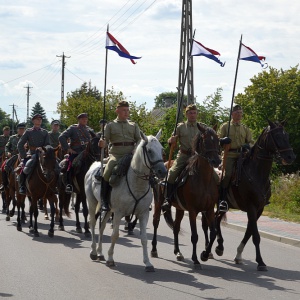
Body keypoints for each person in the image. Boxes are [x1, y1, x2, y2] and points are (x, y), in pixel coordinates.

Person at [98, 100, 141, 211]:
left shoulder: (133, 125)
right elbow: (105, 140)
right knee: (107, 172)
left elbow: (139, 140)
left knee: (146, 171)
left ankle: (144, 199)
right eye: (123, 110)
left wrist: (135, 149)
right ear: (117, 111)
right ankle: (104, 200)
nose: (126, 113)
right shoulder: (110, 125)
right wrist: (102, 143)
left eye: (127, 110)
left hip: (131, 155)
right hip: (116, 155)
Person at [161, 104, 201, 212]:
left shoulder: (202, 127)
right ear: (186, 114)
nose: (192, 115)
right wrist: (171, 140)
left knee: (215, 176)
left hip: (197, 156)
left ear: (197, 114)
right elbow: (171, 140)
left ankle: (216, 199)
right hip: (184, 155)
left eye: (194, 113)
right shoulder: (180, 127)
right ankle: (168, 199)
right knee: (171, 174)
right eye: (190, 113)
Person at [218, 104, 253, 212]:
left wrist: (248, 146)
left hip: (242, 155)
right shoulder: (225, 126)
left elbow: (251, 142)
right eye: (237, 112)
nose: (239, 114)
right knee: (226, 175)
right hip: (230, 155)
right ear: (232, 114)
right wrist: (223, 140)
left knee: (252, 173)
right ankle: (222, 200)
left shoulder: (245, 128)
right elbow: (217, 140)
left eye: (241, 112)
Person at [58, 113, 95, 193]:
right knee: (69, 164)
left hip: (87, 152)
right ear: (79, 120)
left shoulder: (90, 130)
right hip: (76, 152)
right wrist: (68, 148)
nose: (85, 120)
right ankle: (69, 184)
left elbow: (94, 139)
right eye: (82, 119)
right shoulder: (73, 128)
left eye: (86, 119)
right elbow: (61, 137)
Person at [17, 114, 50, 195]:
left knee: (56, 165)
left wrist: (43, 148)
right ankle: (22, 186)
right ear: (33, 121)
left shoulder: (45, 132)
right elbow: (20, 144)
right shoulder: (28, 131)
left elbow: (48, 144)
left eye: (40, 119)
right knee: (25, 168)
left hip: (43, 154)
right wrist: (24, 155)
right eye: (37, 119)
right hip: (31, 154)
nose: (39, 121)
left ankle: (55, 185)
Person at [0, 123, 26, 191]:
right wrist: (7, 152)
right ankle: (4, 183)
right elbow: (7, 146)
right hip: (13, 156)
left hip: (24, 156)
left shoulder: (27, 137)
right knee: (3, 166)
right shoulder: (12, 137)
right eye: (20, 129)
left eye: (23, 129)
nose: (21, 130)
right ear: (17, 130)